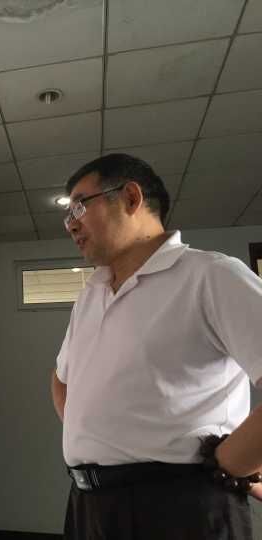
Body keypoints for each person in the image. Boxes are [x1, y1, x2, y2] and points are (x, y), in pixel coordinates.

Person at [51, 153, 262, 539]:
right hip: (89, 504)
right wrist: (97, 436)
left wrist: (231, 463)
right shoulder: (90, 296)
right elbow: (62, 379)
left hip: (180, 505)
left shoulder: (210, 276)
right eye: (68, 216)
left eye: (80, 206)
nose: (72, 224)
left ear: (131, 198)